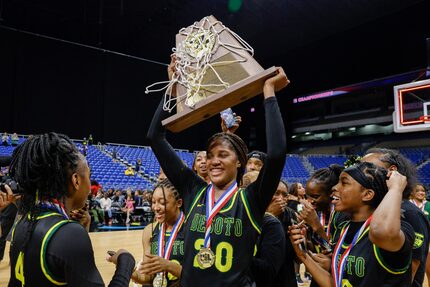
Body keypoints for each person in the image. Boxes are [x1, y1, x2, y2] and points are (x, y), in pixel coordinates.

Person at [147, 56, 289, 286]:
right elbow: (155, 137)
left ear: (239, 162)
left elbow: (276, 154)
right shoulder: (194, 191)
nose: (213, 161)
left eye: (223, 155)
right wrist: (172, 87)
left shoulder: (251, 199)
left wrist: (269, 93)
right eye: (211, 155)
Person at [7, 132, 135, 286]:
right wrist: (126, 262)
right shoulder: (68, 234)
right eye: (89, 175)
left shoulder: (23, 222)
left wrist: (80, 230)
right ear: (76, 180)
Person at [289, 162, 414, 287]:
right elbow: (337, 284)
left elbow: (381, 232)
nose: (334, 187)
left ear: (367, 194)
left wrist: (396, 188)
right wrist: (303, 256)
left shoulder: (400, 229)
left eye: (344, 183)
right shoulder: (344, 228)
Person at [362, 148, 430, 287]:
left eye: (368, 168)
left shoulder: (411, 213)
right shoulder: (375, 208)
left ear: (391, 171)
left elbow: (410, 269)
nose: (361, 173)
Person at [131, 178, 185, 286]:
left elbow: (197, 276)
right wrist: (128, 270)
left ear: (178, 203)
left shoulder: (191, 228)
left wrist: (168, 266)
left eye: (162, 203)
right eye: (153, 202)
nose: (156, 208)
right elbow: (147, 277)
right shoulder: (149, 231)